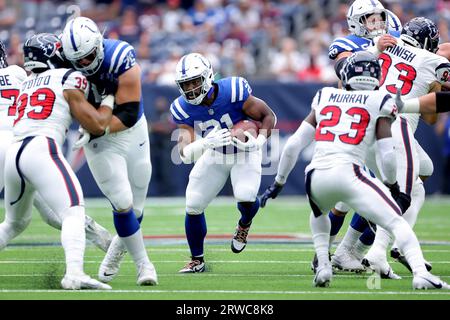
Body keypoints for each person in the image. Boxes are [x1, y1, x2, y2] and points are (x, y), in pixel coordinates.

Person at [260, 50, 449, 289]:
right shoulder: (379, 100)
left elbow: (293, 145)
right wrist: (392, 185)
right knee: (396, 221)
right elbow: (387, 153)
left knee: (319, 213)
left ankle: (323, 267)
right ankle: (421, 273)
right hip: (351, 174)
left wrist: (278, 182)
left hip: (316, 175)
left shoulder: (325, 95)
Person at [0, 33, 113, 290]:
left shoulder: (29, 80)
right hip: (35, 145)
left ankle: (97, 237)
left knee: (15, 222)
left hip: (16, 151)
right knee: (72, 209)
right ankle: (75, 272)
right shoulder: (46, 76)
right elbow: (92, 116)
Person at [59, 16, 157, 286]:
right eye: (77, 61)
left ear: (99, 44)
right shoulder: (63, 63)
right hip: (96, 138)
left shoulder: (120, 56)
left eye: (89, 57)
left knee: (137, 204)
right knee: (122, 201)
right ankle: (144, 264)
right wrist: (92, 128)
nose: (84, 65)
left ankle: (116, 247)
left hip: (130, 127)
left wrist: (97, 127)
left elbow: (128, 113)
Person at [360, 17, 450, 277]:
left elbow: (353, 64)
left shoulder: (386, 43)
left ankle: (394, 246)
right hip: (395, 126)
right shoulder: (430, 59)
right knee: (403, 194)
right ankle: (377, 252)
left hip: (369, 125)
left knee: (422, 176)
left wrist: (375, 48)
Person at [171, 52, 276, 273]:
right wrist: (206, 143)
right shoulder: (182, 107)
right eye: (185, 84)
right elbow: (184, 154)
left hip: (244, 152)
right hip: (215, 153)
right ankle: (196, 260)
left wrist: (259, 142)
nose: (190, 89)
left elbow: (268, 116)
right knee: (193, 204)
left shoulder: (234, 90)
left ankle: (244, 224)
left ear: (208, 77)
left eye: (194, 82)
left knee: (246, 197)